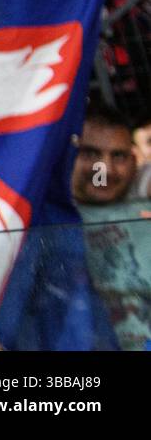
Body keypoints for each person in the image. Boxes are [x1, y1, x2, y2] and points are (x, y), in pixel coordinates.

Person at [69, 105, 151, 350]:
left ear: (134, 160)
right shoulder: (46, 217)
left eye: (118, 156)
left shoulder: (141, 199)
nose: (104, 169)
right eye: (90, 153)